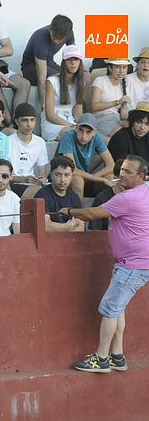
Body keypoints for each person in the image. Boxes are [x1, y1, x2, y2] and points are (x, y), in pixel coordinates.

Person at [64, 155, 149, 373]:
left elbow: (92, 213)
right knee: (118, 308)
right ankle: (117, 356)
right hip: (133, 263)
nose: (122, 173)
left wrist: (69, 211)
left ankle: (101, 359)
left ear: (141, 176)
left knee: (110, 309)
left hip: (132, 265)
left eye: (128, 171)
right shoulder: (144, 191)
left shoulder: (127, 198)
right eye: (122, 169)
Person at [55, 113, 115, 197]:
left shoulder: (97, 137)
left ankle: (107, 209)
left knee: (111, 177)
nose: (83, 136)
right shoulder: (68, 137)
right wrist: (98, 179)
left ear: (94, 132)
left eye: (88, 132)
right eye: (81, 130)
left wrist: (91, 178)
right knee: (78, 180)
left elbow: (111, 166)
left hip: (85, 176)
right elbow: (72, 169)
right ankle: (78, 210)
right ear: (75, 128)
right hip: (64, 176)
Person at [41, 45, 86, 141]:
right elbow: (50, 115)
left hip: (69, 120)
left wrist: (82, 126)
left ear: (80, 62)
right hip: (52, 123)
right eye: (69, 59)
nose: (73, 63)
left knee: (91, 136)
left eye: (76, 59)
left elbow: (78, 112)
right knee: (73, 135)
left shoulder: (81, 83)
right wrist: (73, 127)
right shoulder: (51, 81)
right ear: (64, 62)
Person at [21, 15, 75, 89]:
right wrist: (43, 100)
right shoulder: (40, 38)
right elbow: (41, 78)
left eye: (60, 39)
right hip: (30, 67)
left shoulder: (69, 33)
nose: (56, 41)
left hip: (49, 63)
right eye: (54, 36)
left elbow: (74, 53)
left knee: (76, 75)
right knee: (64, 77)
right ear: (51, 29)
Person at [35, 155, 84, 233]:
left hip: (70, 241)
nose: (62, 180)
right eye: (58, 175)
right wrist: (71, 225)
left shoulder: (75, 197)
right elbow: (46, 227)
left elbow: (81, 227)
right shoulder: (42, 195)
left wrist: (59, 228)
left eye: (67, 175)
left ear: (72, 176)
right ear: (51, 175)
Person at [7, 103, 48, 191]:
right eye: (25, 120)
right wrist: (24, 179)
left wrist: (41, 180)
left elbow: (42, 173)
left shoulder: (40, 142)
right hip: (12, 185)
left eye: (32, 120)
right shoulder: (8, 141)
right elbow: (5, 175)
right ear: (17, 121)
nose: (29, 125)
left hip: (32, 184)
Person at [90, 58, 131, 137]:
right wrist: (117, 102)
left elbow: (123, 114)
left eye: (124, 67)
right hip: (101, 118)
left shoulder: (125, 85)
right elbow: (94, 106)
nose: (121, 71)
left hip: (118, 119)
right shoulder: (100, 80)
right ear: (110, 68)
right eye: (117, 67)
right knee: (119, 136)